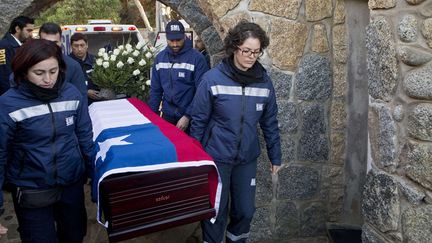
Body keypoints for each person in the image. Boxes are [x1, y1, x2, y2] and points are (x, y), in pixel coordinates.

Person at [190, 20, 282, 243]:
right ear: (234, 48)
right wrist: (195, 158)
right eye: (246, 51)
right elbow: (198, 121)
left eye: (256, 52)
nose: (251, 56)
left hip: (246, 159)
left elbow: (270, 122)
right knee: (215, 213)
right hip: (216, 158)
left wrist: (275, 155)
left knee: (245, 211)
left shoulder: (264, 83)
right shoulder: (212, 79)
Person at [0, 39, 95, 242]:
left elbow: (85, 138)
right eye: (39, 73)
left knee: (74, 236)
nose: (48, 79)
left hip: (71, 184)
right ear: (24, 71)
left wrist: (95, 180)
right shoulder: (8, 104)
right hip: (32, 188)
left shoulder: (71, 93)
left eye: (53, 71)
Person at [149, 20, 209, 132]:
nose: (175, 44)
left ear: (184, 37)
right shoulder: (160, 58)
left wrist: (187, 116)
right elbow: (155, 90)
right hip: (168, 115)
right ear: (166, 38)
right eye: (171, 40)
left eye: (178, 40)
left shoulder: (197, 59)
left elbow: (201, 93)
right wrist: (152, 116)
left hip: (191, 118)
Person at [39, 22, 88, 97]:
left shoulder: (73, 66)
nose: (50, 46)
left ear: (61, 41)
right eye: (46, 42)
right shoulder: (29, 63)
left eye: (55, 42)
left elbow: (81, 97)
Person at [0, 16, 34, 95]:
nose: (31, 34)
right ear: (18, 29)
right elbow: (4, 75)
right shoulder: (4, 46)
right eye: (28, 30)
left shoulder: (21, 45)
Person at [69, 33, 101, 104]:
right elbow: (65, 86)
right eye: (76, 46)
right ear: (71, 46)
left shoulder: (97, 61)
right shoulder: (66, 63)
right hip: (77, 102)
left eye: (82, 45)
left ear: (87, 45)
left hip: (97, 102)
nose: (79, 49)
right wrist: (85, 92)